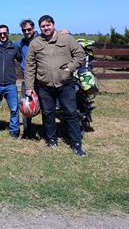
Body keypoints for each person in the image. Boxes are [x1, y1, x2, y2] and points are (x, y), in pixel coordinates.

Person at [24, 15, 87, 156]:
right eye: (43, 26)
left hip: (65, 84)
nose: (46, 28)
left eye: (48, 25)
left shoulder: (66, 39)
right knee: (48, 114)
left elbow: (80, 55)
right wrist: (29, 87)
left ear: (53, 25)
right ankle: (51, 140)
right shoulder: (35, 43)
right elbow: (29, 66)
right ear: (39, 28)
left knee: (71, 113)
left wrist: (70, 68)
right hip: (44, 86)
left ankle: (76, 143)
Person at [0, 24, 22, 138]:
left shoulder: (14, 47)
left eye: (4, 33)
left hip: (10, 84)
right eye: (0, 34)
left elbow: (20, 59)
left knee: (14, 109)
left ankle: (14, 132)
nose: (2, 35)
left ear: (8, 33)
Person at [15, 19, 40, 139]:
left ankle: (47, 132)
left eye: (29, 29)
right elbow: (8, 46)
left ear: (34, 29)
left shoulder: (42, 40)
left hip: (42, 78)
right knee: (26, 106)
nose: (27, 32)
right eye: (24, 30)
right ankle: (26, 132)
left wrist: (66, 32)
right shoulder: (21, 43)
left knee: (46, 106)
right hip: (28, 79)